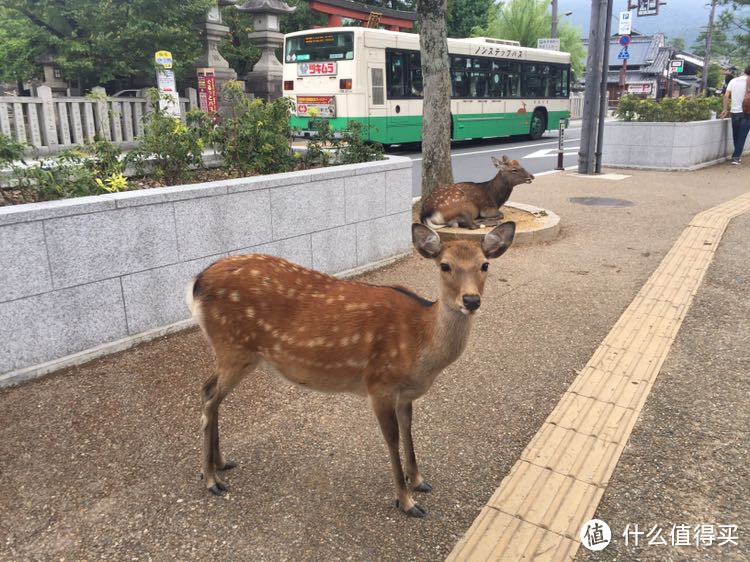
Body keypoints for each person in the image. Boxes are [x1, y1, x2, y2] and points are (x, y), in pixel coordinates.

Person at [720, 64, 750, 165]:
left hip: (734, 112)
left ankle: (736, 155)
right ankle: (736, 157)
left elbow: (726, 96)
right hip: (747, 112)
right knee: (742, 135)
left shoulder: (734, 81)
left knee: (736, 134)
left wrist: (725, 109)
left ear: (744, 70)